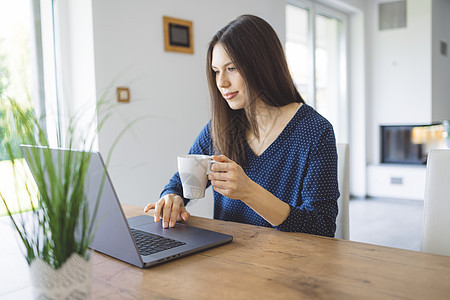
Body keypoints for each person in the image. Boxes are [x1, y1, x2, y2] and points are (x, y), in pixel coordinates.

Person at [144, 14, 340, 237]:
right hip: (228, 259)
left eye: (232, 68)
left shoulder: (315, 131)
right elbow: (180, 180)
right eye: (216, 71)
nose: (221, 83)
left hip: (287, 263)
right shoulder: (220, 127)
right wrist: (172, 196)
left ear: (263, 65)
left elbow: (322, 228)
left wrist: (249, 192)